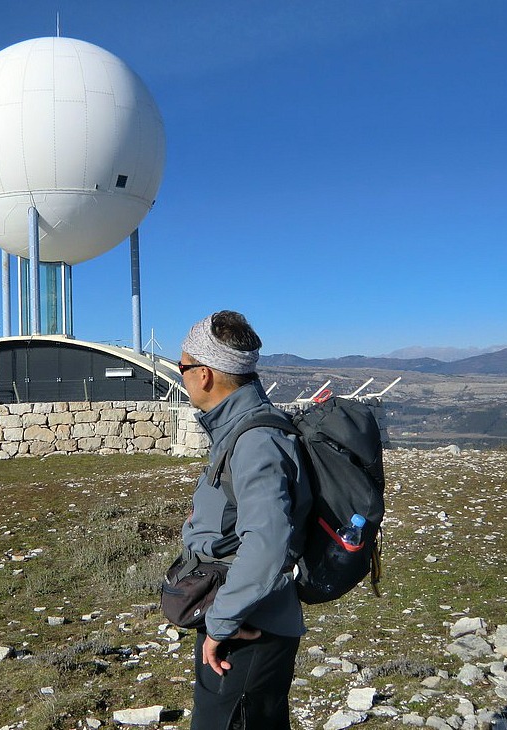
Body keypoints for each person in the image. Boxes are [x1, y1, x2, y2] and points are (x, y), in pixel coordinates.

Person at [178, 310, 312, 729]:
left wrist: (220, 625)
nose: (180, 377)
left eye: (182, 367)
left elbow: (267, 543)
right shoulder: (242, 428)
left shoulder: (255, 439)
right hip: (242, 612)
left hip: (248, 626)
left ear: (204, 375)